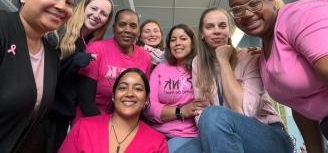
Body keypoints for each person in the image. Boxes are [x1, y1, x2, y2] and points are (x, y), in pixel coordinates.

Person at [228, 0, 328, 153]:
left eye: (254, 3)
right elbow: (300, 106)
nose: (246, 13)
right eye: (237, 10)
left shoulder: (297, 16)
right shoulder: (265, 53)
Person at [177, 8, 293, 153]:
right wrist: (214, 134)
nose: (217, 31)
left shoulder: (250, 56)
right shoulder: (198, 63)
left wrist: (223, 60)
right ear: (202, 34)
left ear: (230, 31)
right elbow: (201, 109)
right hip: (219, 130)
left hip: (269, 135)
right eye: (210, 27)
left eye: (222, 26)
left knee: (213, 114)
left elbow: (244, 111)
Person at [0, 0, 77, 153]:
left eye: (69, 2)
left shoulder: (50, 55)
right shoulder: (3, 28)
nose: (62, 6)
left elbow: (31, 121)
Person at [49, 0, 114, 151]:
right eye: (94, 8)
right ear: (83, 7)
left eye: (104, 14)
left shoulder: (92, 44)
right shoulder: (58, 31)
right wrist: (74, 61)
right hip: (44, 112)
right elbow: (44, 72)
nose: (97, 15)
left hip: (63, 115)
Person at [59, 68, 168, 153]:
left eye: (138, 89)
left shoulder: (158, 142)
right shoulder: (83, 128)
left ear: (146, 99)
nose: (129, 94)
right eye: (122, 88)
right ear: (113, 96)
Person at [75, 9, 151, 123]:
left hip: (126, 122)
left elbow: (142, 97)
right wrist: (108, 127)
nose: (127, 30)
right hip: (91, 119)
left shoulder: (145, 57)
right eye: (122, 25)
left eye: (133, 26)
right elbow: (86, 100)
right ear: (114, 28)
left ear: (138, 31)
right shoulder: (96, 49)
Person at [147, 24, 206, 153]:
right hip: (157, 132)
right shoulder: (160, 69)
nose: (177, 43)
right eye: (173, 40)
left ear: (192, 43)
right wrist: (181, 111)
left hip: (189, 135)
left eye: (183, 38)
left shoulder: (202, 67)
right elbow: (149, 107)